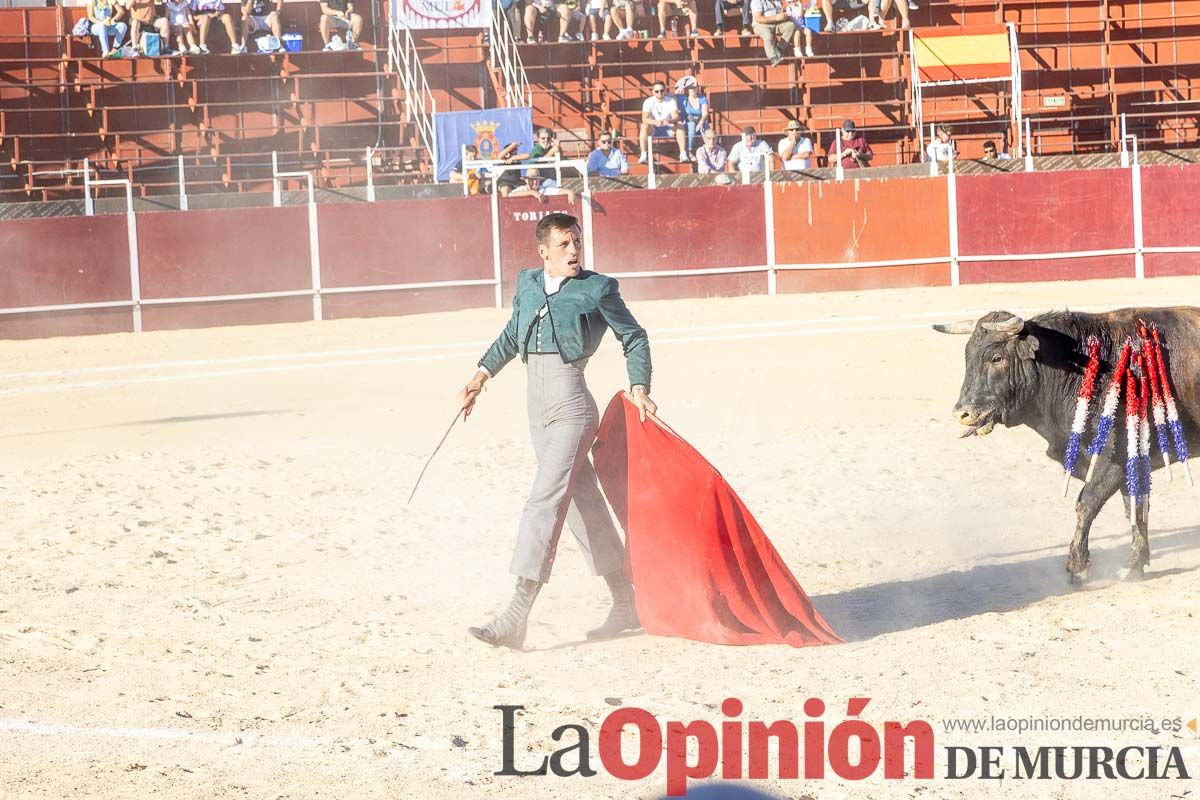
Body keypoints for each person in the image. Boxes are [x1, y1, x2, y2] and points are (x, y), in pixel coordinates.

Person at [461, 212, 655, 650]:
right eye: (564, 245)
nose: (573, 252)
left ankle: (516, 614)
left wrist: (639, 385)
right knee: (581, 504)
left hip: (571, 407)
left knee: (543, 500)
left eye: (577, 243)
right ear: (543, 250)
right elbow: (513, 335)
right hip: (537, 411)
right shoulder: (528, 283)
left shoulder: (598, 288)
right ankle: (625, 602)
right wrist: (480, 376)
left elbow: (635, 336)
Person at [639, 80, 688, 163]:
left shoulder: (671, 101)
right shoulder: (648, 102)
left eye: (661, 91)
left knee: (680, 124)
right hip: (653, 128)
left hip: (668, 127)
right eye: (656, 91)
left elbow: (676, 117)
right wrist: (655, 122)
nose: (659, 93)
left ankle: (683, 154)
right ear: (652, 92)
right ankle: (643, 154)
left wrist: (668, 121)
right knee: (644, 126)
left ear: (665, 90)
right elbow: (644, 118)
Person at [750, 0, 799, 67]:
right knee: (767, 35)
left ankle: (779, 48)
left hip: (776, 23)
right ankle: (773, 58)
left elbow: (780, 13)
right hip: (761, 25)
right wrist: (776, 18)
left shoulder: (777, 1)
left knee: (790, 25)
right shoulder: (757, 1)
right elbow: (759, 18)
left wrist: (784, 16)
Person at [680, 82, 709, 158]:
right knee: (692, 126)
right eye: (690, 88)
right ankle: (689, 151)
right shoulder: (684, 99)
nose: (692, 90)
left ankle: (710, 149)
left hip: (701, 120)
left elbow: (705, 113)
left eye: (694, 88)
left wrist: (700, 122)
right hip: (689, 121)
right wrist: (678, 90)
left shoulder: (702, 98)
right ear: (687, 90)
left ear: (697, 88)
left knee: (704, 128)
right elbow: (671, 96)